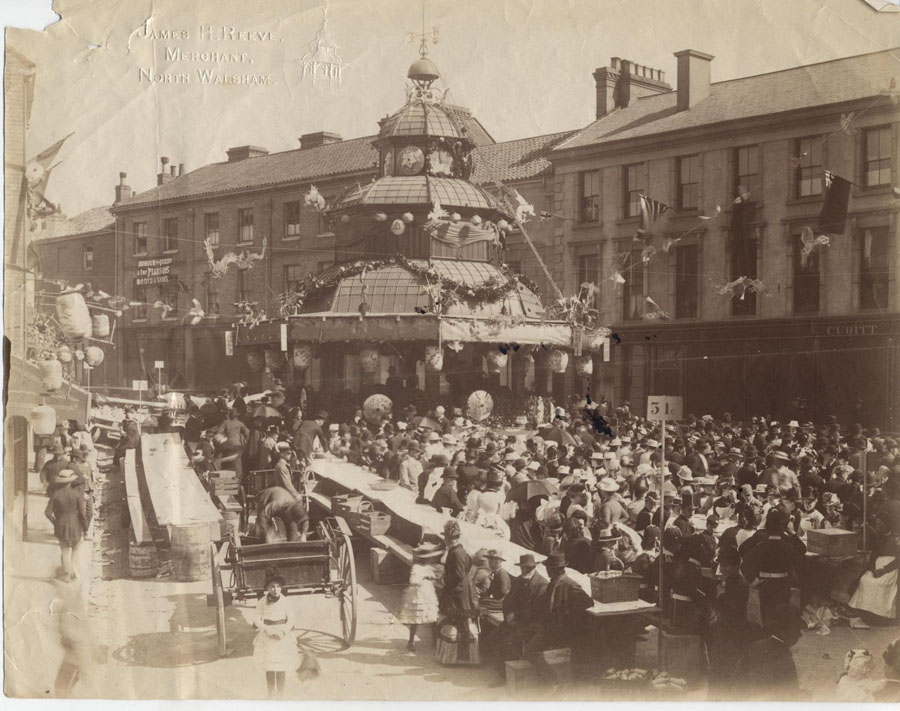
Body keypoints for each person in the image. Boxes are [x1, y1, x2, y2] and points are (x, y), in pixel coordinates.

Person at [522, 551, 593, 685]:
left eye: (549, 568)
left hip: (560, 629)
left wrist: (566, 614)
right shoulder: (553, 583)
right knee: (520, 634)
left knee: (529, 650)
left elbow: (587, 602)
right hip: (549, 626)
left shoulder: (569, 584)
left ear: (553, 570)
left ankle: (553, 681)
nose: (547, 571)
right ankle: (539, 678)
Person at [731, 603, 805, 701]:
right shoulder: (785, 660)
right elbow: (791, 697)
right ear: (787, 630)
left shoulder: (752, 647)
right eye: (797, 629)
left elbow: (737, 685)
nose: (800, 635)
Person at [436, 520, 479, 665]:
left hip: (458, 593)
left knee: (459, 623)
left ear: (448, 538)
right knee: (460, 623)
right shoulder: (460, 550)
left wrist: (445, 579)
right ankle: (461, 656)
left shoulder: (457, 552)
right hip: (460, 590)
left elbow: (459, 574)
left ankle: (462, 656)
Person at [253, 568, 297, 698]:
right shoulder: (261, 601)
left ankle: (281, 694)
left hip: (282, 636)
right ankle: (271, 694)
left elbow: (291, 619)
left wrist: (283, 631)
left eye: (278, 586)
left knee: (281, 666)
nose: (276, 589)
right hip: (267, 635)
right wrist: (266, 629)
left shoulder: (286, 601)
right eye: (272, 586)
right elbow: (256, 618)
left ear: (282, 587)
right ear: (267, 587)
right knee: (270, 666)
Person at [397, 543, 444, 652]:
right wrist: (426, 577)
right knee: (416, 618)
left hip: (428, 593)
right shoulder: (417, 568)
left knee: (433, 615)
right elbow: (414, 581)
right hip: (418, 594)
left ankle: (434, 640)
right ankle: (411, 640)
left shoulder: (431, 567)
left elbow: (439, 574)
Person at [44, 469, 89, 581]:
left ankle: (66, 574)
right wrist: (86, 528)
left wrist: (55, 522)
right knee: (76, 549)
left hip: (61, 525)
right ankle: (74, 573)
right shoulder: (77, 494)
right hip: (75, 526)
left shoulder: (55, 495)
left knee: (64, 550)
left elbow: (47, 512)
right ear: (70, 482)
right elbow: (83, 514)